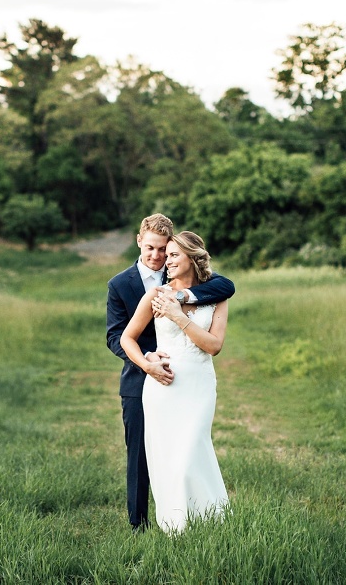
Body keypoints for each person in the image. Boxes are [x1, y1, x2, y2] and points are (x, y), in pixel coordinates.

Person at [106, 215, 234, 532]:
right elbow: (118, 336)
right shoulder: (121, 285)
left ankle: (201, 521)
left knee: (190, 449)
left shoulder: (195, 282)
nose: (159, 257)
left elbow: (225, 288)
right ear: (139, 242)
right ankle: (144, 525)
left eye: (166, 250)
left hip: (196, 380)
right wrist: (147, 362)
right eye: (152, 248)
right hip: (145, 378)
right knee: (144, 455)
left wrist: (180, 303)